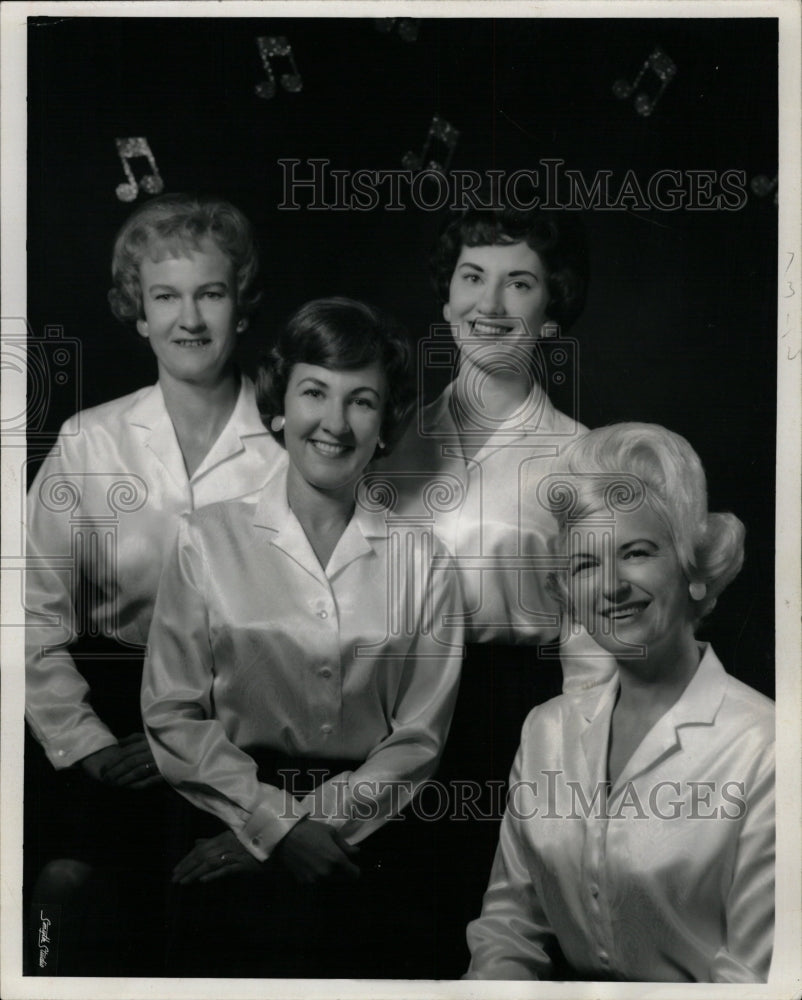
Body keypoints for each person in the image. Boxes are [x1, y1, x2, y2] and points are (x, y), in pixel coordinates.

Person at [141, 297, 464, 978]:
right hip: (224, 820)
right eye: (315, 392)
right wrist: (274, 829)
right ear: (279, 405)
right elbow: (172, 716)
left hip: (372, 839)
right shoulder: (206, 539)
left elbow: (418, 738)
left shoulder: (425, 560)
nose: (335, 423)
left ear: (385, 423)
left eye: (362, 401)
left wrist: (318, 827)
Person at [24, 193, 285, 974]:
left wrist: (206, 735)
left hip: (246, 720)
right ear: (136, 312)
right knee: (70, 889)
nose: (189, 318)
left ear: (242, 305)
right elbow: (29, 612)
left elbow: (317, 625)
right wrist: (89, 744)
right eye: (165, 296)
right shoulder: (89, 440)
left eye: (210, 292)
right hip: (106, 721)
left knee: (216, 923)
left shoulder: (289, 441)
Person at [380, 204, 610, 971]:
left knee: (486, 930)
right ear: (446, 300)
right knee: (391, 934)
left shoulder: (580, 457)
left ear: (550, 313)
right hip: (387, 712)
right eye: (472, 279)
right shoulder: (391, 434)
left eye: (519, 285)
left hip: (504, 721)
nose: (489, 304)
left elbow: (592, 642)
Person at [466, 423, 774, 982]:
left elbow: (755, 980)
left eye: (635, 553)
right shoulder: (545, 733)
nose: (610, 586)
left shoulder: (768, 747)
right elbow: (508, 928)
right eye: (585, 564)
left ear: (693, 569)